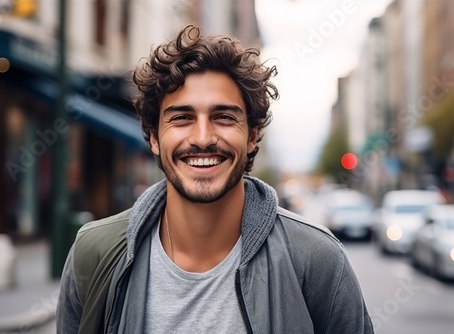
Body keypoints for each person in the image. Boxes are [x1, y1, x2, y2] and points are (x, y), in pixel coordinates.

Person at [57, 25, 374, 334]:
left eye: (223, 117)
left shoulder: (316, 259)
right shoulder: (94, 253)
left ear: (251, 137)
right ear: (154, 137)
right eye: (182, 118)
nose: (203, 137)